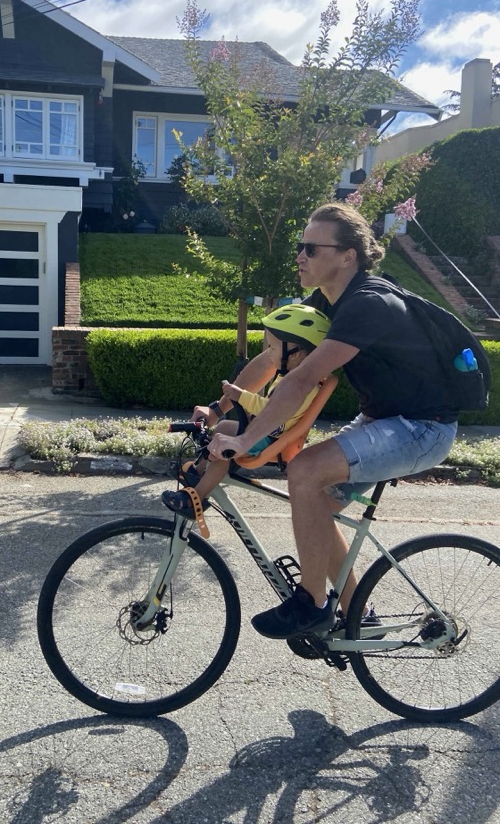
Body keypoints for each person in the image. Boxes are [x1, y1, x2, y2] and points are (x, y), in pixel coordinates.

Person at [207, 202, 459, 640]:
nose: (300, 256)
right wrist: (218, 410)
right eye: (299, 246)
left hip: (422, 427)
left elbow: (304, 377)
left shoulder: (368, 303)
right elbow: (275, 359)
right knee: (317, 504)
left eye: (311, 247)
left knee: (304, 471)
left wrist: (246, 438)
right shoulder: (325, 301)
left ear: (347, 256)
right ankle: (360, 614)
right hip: (384, 419)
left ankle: (312, 604)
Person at [161, 304, 332, 520]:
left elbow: (269, 410)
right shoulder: (291, 376)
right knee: (223, 427)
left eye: (272, 348)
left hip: (270, 438)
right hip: (267, 433)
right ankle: (196, 470)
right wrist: (222, 407)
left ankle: (196, 498)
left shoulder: (301, 385)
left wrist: (240, 395)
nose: (268, 353)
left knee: (224, 445)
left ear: (295, 354)